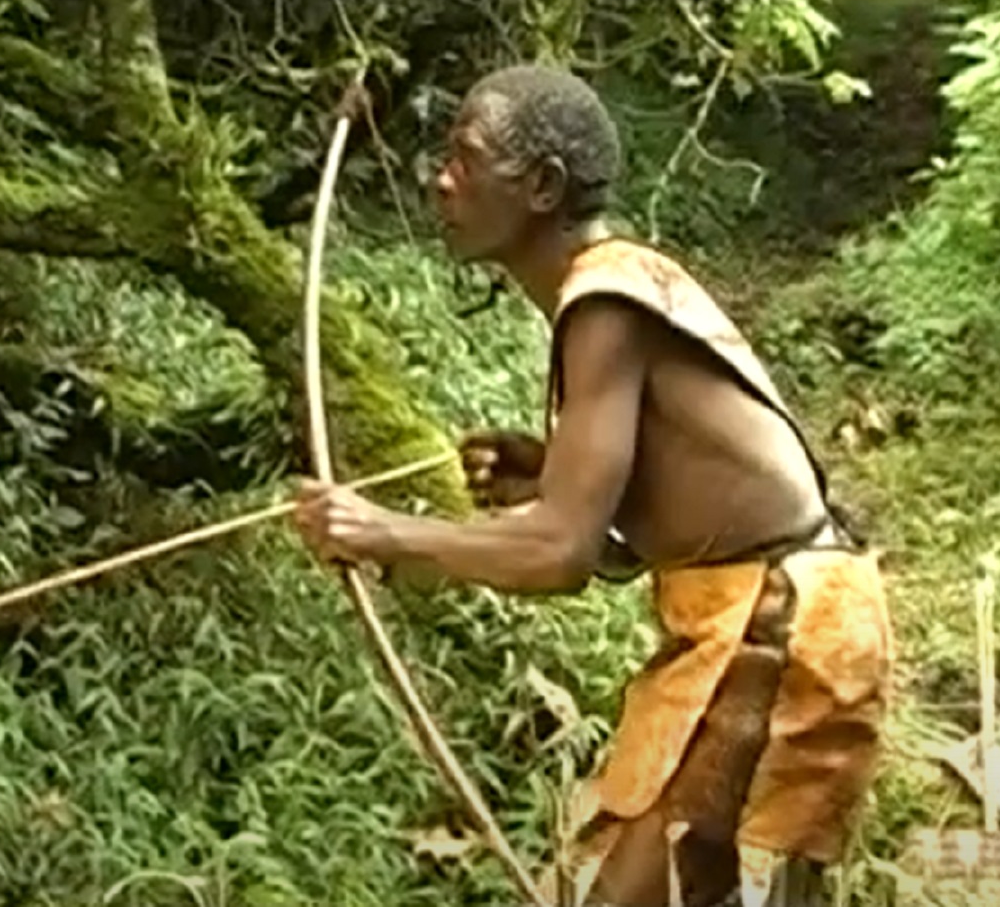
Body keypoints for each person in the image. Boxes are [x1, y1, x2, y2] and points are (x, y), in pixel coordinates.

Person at [292, 64, 894, 907]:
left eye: (466, 159)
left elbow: (559, 552)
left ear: (541, 187)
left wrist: (383, 532)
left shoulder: (605, 298)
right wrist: (548, 472)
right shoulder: (609, 289)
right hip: (758, 620)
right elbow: (652, 522)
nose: (441, 180)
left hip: (778, 628)